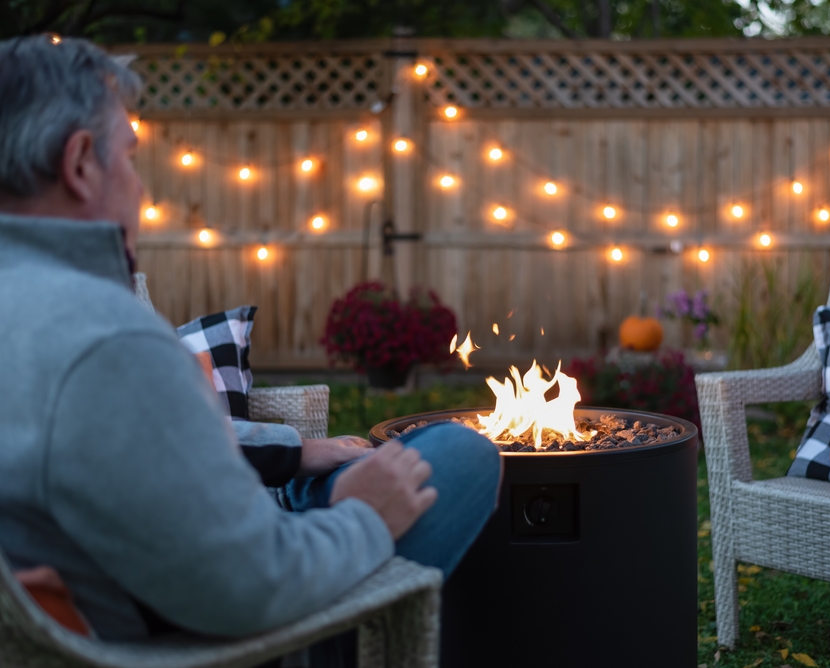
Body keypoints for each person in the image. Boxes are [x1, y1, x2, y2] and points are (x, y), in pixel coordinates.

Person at [0, 33, 501, 652]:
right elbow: (250, 587)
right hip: (197, 633)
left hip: (136, 571)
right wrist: (365, 518)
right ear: (80, 164)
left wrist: (292, 451)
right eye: (129, 158)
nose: (142, 190)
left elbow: (108, 436)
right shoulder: (105, 338)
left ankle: (314, 494)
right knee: (459, 453)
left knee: (354, 468)